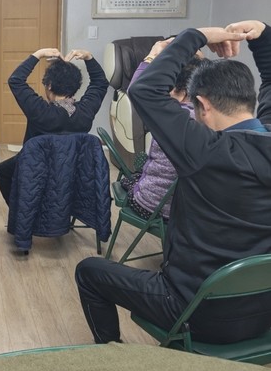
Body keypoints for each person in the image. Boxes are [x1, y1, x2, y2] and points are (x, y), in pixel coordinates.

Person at [75, 20, 271, 345]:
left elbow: (144, 90)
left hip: (194, 312)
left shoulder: (205, 151)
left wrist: (195, 36)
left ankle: (110, 353)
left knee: (89, 271)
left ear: (202, 105)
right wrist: (263, 35)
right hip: (262, 314)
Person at [0, 48, 109, 204]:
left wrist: (39, 54)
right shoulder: (85, 112)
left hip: (36, 169)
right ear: (75, 87)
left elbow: (16, 80)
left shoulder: (40, 111)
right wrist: (89, 57)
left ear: (49, 85)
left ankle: (22, 210)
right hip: (71, 171)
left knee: (2, 171)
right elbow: (100, 83)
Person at [120, 40, 206, 219]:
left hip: (154, 206)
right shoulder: (209, 117)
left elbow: (137, 90)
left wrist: (152, 54)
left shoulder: (170, 117)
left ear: (179, 90)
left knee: (128, 180)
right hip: (192, 211)